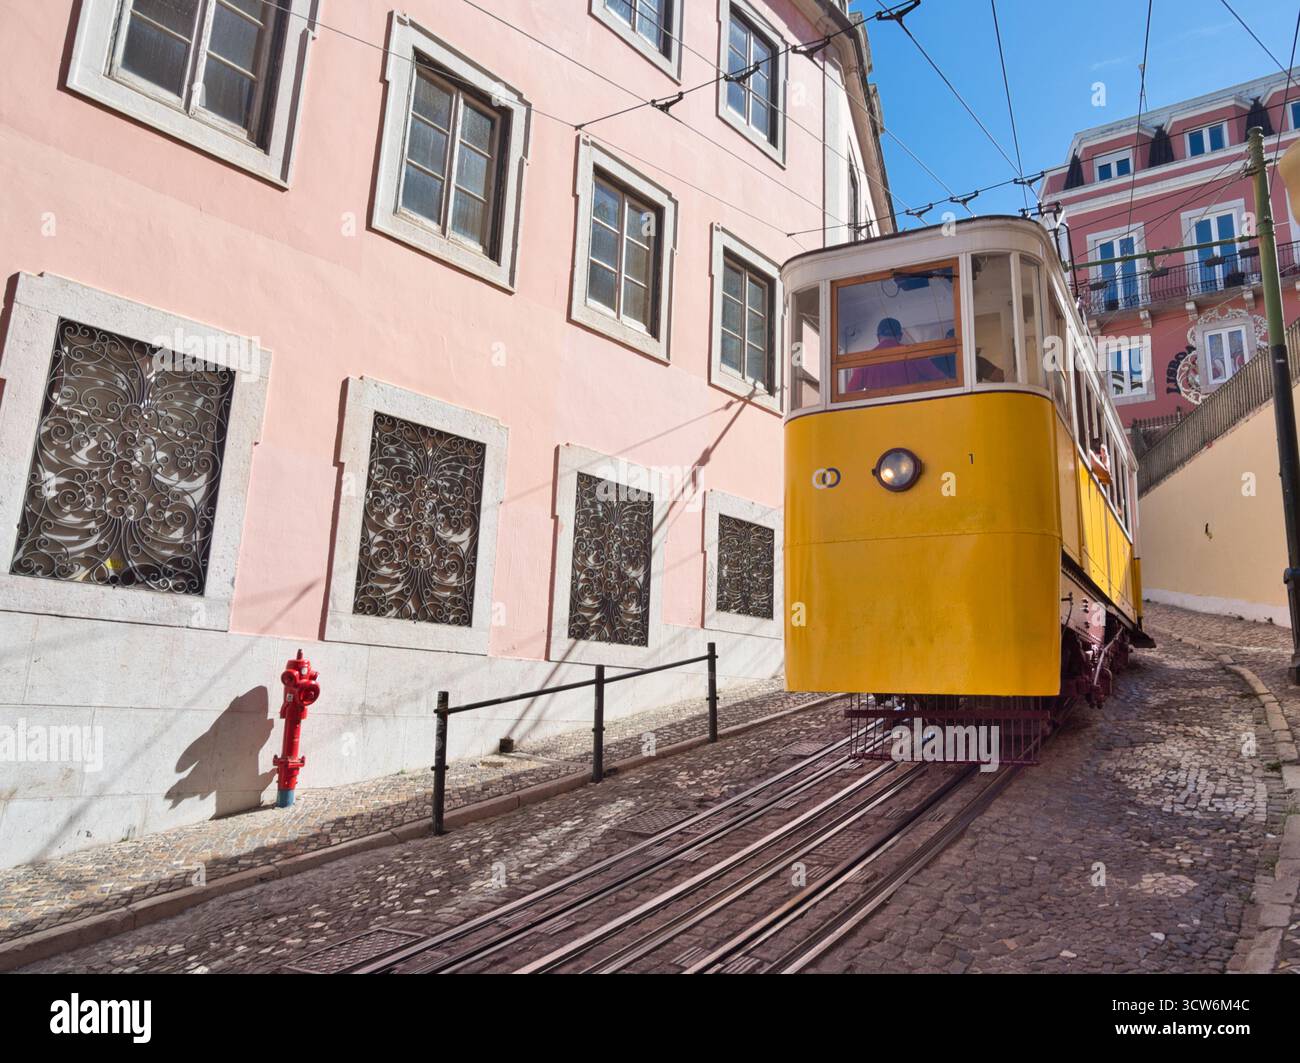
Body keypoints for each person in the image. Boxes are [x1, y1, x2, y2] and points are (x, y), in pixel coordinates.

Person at [844, 317, 950, 394]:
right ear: (900, 336)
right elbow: (942, 381)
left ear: (878, 336)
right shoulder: (915, 353)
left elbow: (849, 394)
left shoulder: (864, 361)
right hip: (911, 409)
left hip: (878, 414)